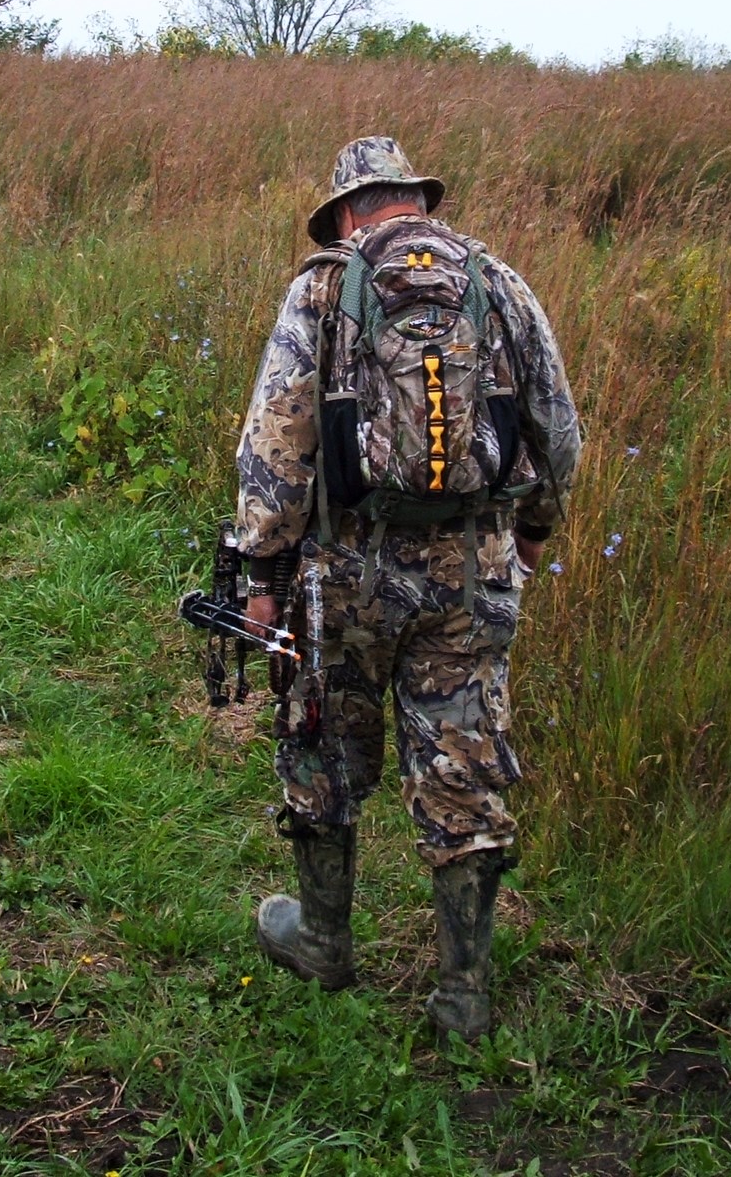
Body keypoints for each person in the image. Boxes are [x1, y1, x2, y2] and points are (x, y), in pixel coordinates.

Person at [233, 135, 581, 1039]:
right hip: (472, 569)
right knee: (463, 757)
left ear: (348, 212)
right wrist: (533, 530)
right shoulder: (498, 282)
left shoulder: (321, 288)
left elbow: (278, 443)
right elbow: (558, 429)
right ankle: (464, 995)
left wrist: (265, 573)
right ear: (415, 201)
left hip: (346, 570)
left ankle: (322, 940)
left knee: (323, 745)